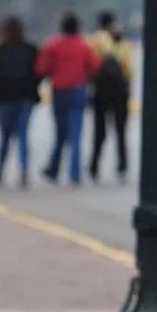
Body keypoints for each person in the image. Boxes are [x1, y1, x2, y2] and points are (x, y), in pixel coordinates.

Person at [36, 12, 100, 186]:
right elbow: (95, 66)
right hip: (79, 90)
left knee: (60, 133)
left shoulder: (53, 45)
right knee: (76, 132)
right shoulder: (84, 46)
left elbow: (42, 69)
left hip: (60, 90)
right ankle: (75, 173)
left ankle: (54, 168)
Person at [0, 16, 40, 188]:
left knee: (4, 137)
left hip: (3, 97)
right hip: (25, 97)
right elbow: (39, 72)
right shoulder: (31, 49)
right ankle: (23, 171)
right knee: (23, 136)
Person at [87, 11, 134, 183]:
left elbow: (91, 66)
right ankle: (122, 166)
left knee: (99, 132)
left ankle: (94, 166)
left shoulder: (95, 41)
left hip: (101, 91)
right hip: (120, 92)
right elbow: (129, 70)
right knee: (121, 132)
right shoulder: (123, 43)